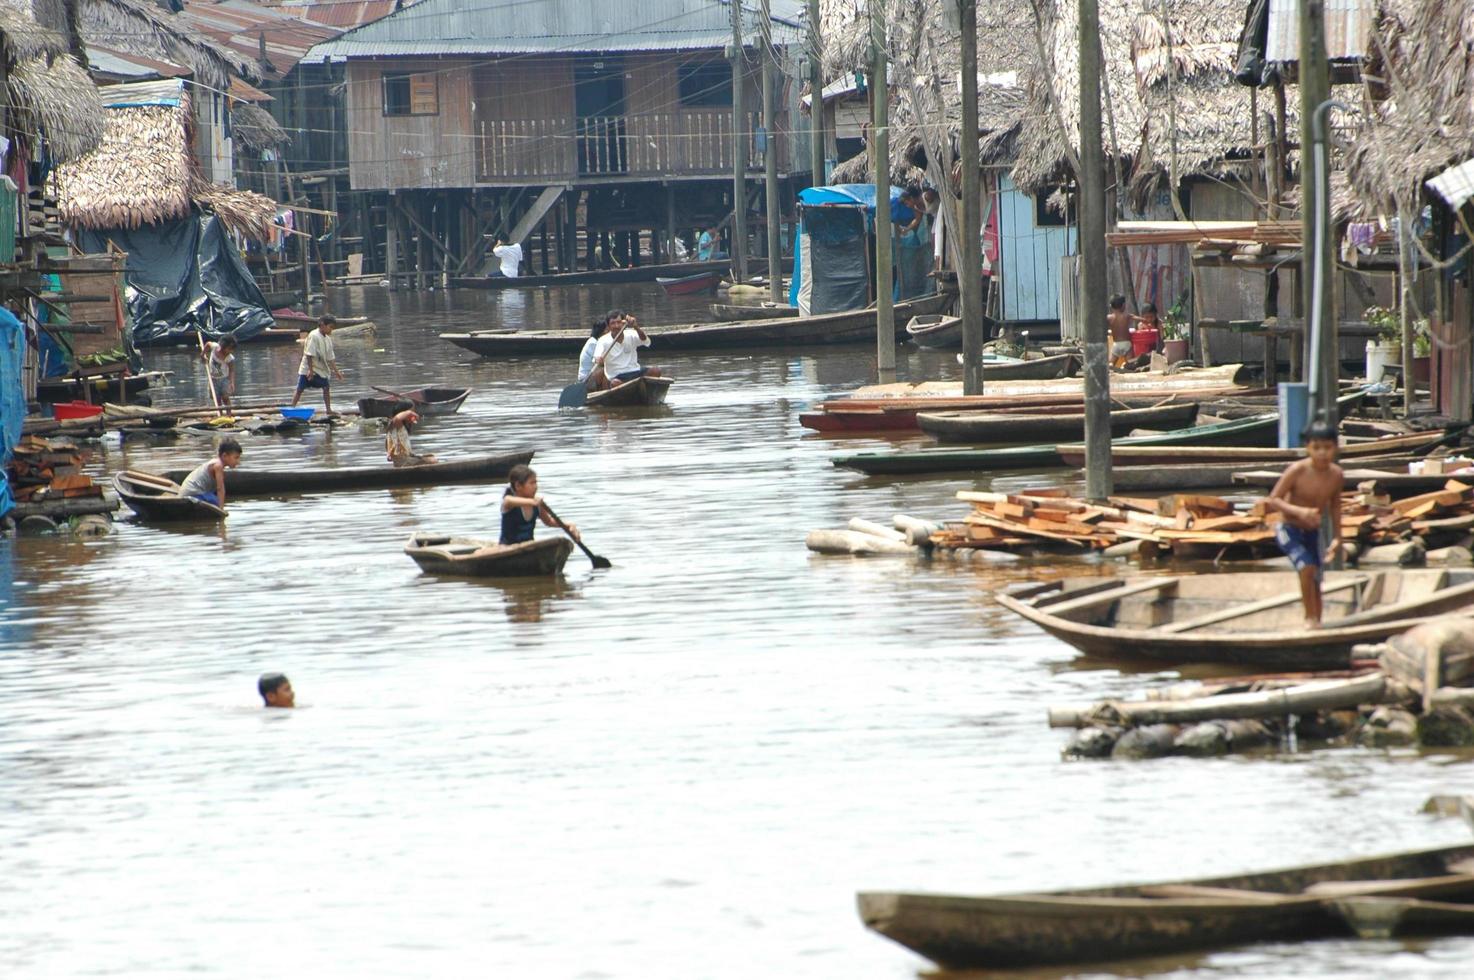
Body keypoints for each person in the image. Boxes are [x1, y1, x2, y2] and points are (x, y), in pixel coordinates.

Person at [1262, 421, 1344, 628]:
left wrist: (1337, 538)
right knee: (1306, 567)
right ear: (1308, 448)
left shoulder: (1336, 475)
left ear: (1335, 447)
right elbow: (1274, 499)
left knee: (1316, 577)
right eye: (1316, 448)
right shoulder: (1297, 470)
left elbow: (1335, 506)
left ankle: (1318, 621)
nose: (1322, 453)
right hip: (1288, 529)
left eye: (1327, 447)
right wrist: (1300, 511)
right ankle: (1309, 619)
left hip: (1312, 532)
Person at [500, 464, 579, 545]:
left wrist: (568, 525)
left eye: (536, 482)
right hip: (507, 547)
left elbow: (548, 521)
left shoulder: (537, 504)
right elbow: (507, 500)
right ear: (518, 486)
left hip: (529, 546)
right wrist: (534, 502)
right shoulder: (509, 502)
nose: (535, 487)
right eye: (531, 483)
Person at [592, 312, 662, 386]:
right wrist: (599, 360)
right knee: (615, 383)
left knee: (656, 371)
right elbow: (596, 358)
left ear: (623, 323)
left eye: (619, 322)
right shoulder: (603, 340)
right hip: (617, 376)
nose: (616, 326)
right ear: (608, 326)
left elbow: (645, 340)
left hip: (635, 371)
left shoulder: (631, 334)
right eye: (613, 323)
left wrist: (636, 327)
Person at [291, 315, 344, 412]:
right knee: (299, 389)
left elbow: (330, 357)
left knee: (326, 387)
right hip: (308, 368)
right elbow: (309, 354)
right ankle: (291, 408)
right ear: (323, 325)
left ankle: (328, 410)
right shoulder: (314, 335)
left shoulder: (327, 339)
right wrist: (310, 370)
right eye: (330, 327)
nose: (331, 330)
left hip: (320, 368)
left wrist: (337, 372)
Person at [178, 437, 242, 508]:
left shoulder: (217, 463)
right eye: (236, 457)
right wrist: (221, 509)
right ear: (224, 456)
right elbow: (220, 489)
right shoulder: (218, 465)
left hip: (191, 493)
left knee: (215, 499)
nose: (238, 462)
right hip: (191, 494)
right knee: (216, 502)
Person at [202, 334, 237, 410]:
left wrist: (232, 383)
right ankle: (220, 414)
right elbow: (208, 344)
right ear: (223, 346)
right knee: (216, 398)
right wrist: (203, 354)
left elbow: (231, 371)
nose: (231, 351)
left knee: (225, 397)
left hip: (224, 379)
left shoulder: (229, 358)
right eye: (229, 349)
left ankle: (229, 414)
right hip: (213, 378)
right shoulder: (215, 347)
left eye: (232, 349)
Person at [578, 317, 608, 390]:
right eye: (607, 329)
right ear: (602, 331)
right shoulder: (593, 343)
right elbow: (601, 363)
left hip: (592, 376)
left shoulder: (597, 341)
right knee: (606, 369)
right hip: (586, 380)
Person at [1108, 295, 1134, 368]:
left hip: (1116, 344)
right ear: (1123, 305)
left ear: (1111, 306)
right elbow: (1136, 318)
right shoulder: (1127, 316)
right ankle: (1127, 366)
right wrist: (1145, 320)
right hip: (1126, 344)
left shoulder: (1109, 317)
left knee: (1111, 362)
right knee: (1130, 362)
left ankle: (1111, 367)